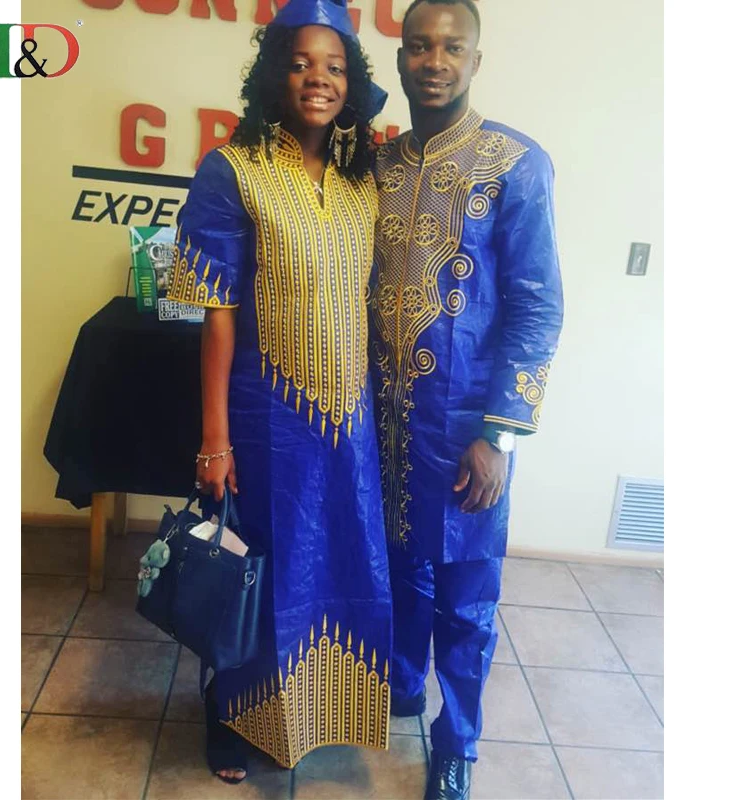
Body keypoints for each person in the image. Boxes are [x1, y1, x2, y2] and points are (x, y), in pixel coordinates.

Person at [166, 0, 392, 784]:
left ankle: (310, 714)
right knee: (257, 577)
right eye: (300, 63)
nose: (317, 79)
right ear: (273, 74)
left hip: (348, 421)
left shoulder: (364, 180)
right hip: (268, 418)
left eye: (334, 66)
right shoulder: (231, 170)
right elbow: (216, 313)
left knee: (333, 570)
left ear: (351, 82)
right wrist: (215, 439)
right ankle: (230, 716)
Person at [369, 1, 564, 798]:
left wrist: (500, 435)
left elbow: (537, 308)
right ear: (401, 58)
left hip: (466, 430)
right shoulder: (379, 166)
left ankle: (457, 743)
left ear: (476, 61)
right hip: (383, 422)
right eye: (419, 46)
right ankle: (400, 684)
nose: (434, 61)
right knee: (399, 569)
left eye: (452, 48)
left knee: (466, 596)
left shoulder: (517, 164)